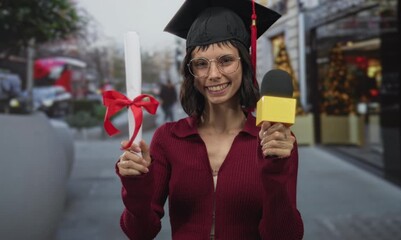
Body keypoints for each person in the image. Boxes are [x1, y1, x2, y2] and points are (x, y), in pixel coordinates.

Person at [116, 0, 304, 239]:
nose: (213, 75)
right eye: (201, 64)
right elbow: (140, 232)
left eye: (226, 60)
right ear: (190, 73)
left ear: (245, 64)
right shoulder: (169, 138)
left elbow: (285, 236)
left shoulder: (275, 140)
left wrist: (277, 168)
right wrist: (135, 185)